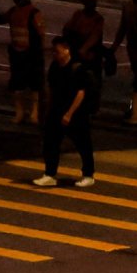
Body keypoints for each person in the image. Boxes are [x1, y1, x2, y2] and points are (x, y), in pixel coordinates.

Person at [33, 29, 98, 188]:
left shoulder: (77, 68)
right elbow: (52, 90)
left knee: (83, 144)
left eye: (57, 51)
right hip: (57, 111)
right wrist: (48, 110)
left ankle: (88, 175)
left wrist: (69, 114)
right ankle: (49, 174)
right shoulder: (55, 67)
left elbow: (80, 93)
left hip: (76, 113)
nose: (54, 54)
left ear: (66, 50)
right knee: (51, 143)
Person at [5, 0, 45, 124]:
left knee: (34, 85)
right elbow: (1, 19)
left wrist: (39, 54)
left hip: (30, 54)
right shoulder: (13, 11)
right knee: (17, 85)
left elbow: (41, 34)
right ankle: (20, 112)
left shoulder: (34, 12)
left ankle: (34, 112)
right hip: (17, 53)